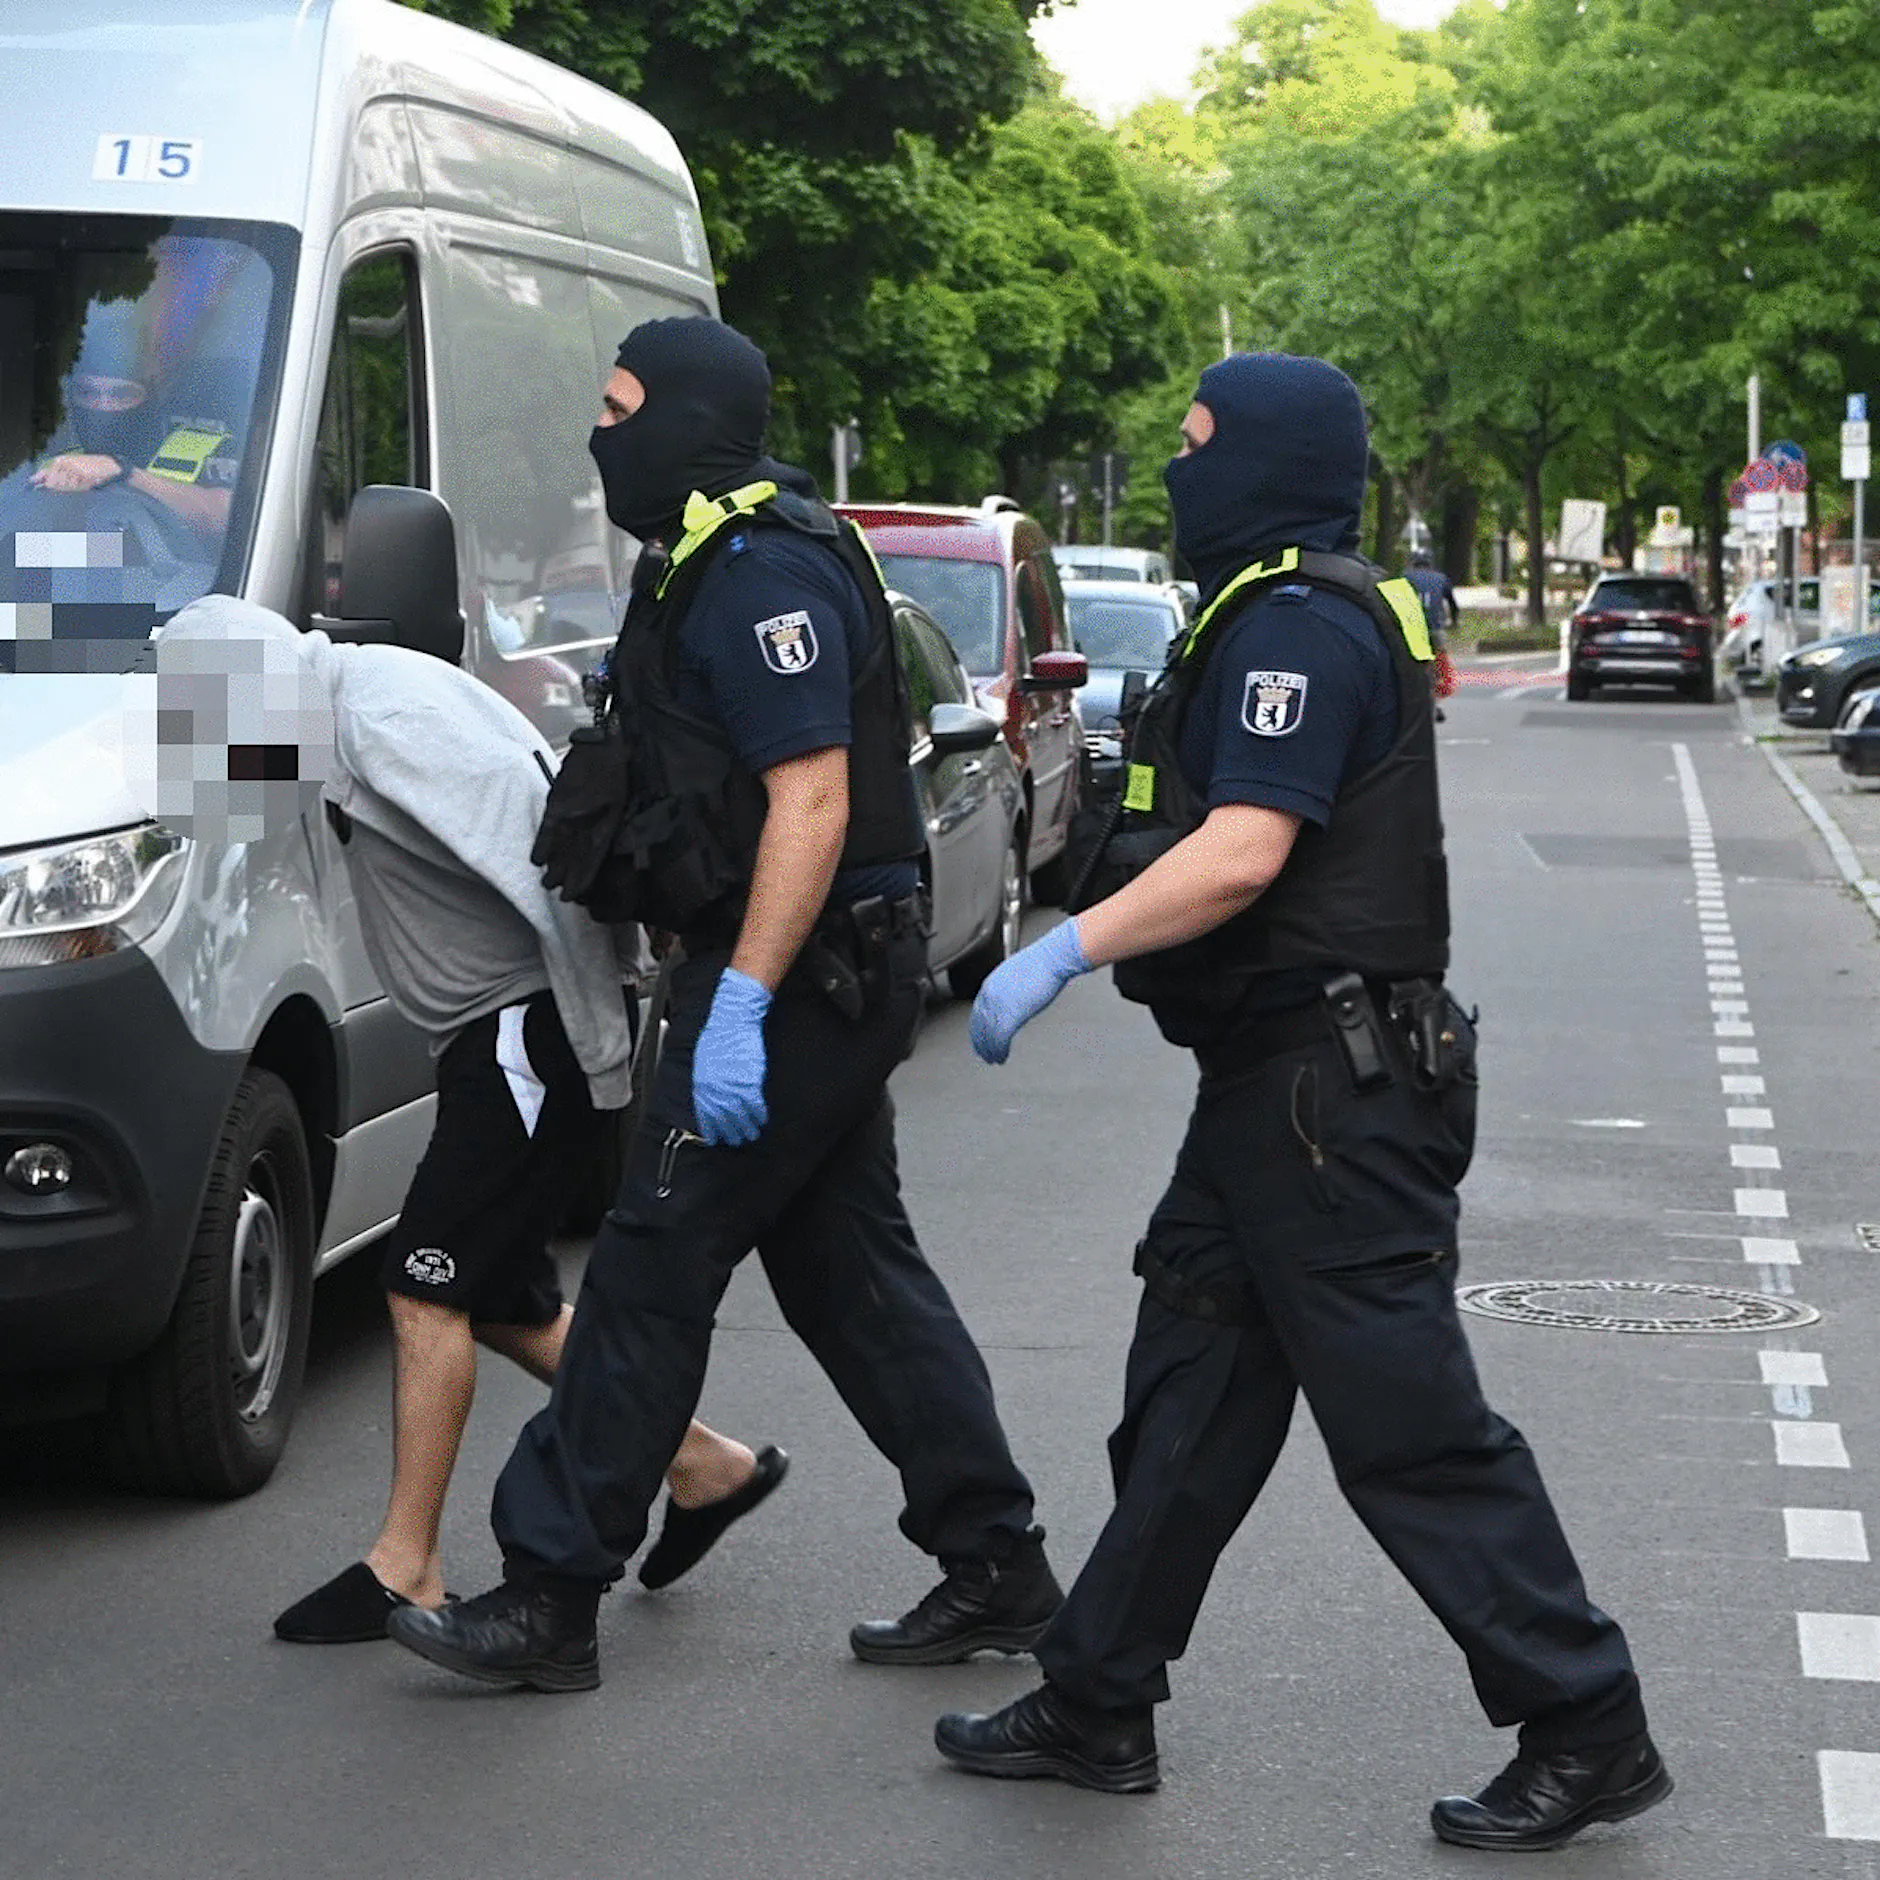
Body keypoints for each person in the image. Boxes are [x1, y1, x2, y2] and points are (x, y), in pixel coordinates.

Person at [933, 353, 1668, 1853]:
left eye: (1199, 443)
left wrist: (1061, 949)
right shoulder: (1264, 610)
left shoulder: (1302, 629)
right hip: (1276, 1092)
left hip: (1335, 1102)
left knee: (1410, 1432)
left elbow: (1248, 851)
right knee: (1189, 1399)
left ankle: (1587, 1722)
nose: (1179, 466)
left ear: (1264, 461)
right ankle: (1097, 1696)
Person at [385, 317, 1056, 1694]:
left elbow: (810, 796)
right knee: (858, 1283)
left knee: (647, 1270)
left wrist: (742, 1000)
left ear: (687, 417)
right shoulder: (700, 559)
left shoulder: (760, 574)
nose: (601, 431)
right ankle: (997, 1563)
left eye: (621, 406)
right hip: (808, 967)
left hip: (790, 974)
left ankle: (548, 1592)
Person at [118, 595, 774, 1644]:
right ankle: (705, 1465)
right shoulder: (332, 718)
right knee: (503, 1302)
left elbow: (542, 855)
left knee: (420, 1281)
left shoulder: (384, 718)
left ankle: (406, 1563)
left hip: (524, 1033)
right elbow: (231, 819)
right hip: (500, 1036)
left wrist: (597, 1039)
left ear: (251, 690)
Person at [1405, 549, 1460, 705]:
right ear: (1430, 563)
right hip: (1435, 625)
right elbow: (1453, 603)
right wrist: (1454, 621)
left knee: (1407, 655)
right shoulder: (1441, 578)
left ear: (1412, 563)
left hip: (1413, 628)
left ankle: (1409, 683)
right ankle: (1443, 683)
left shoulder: (1406, 578)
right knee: (1440, 652)